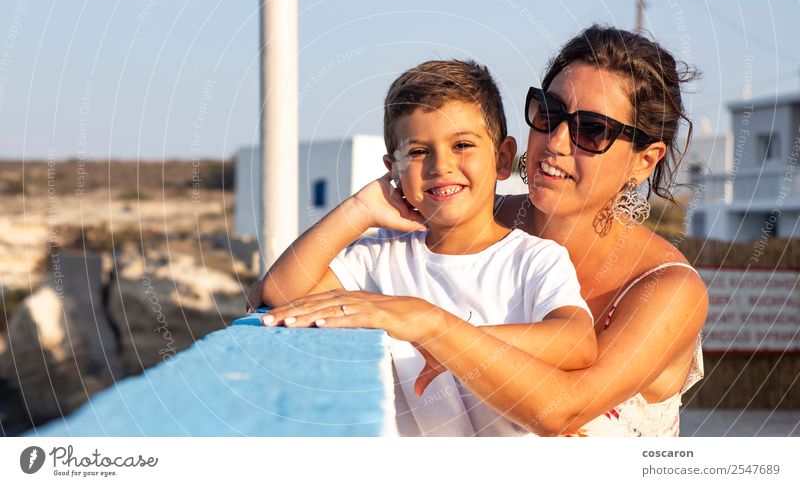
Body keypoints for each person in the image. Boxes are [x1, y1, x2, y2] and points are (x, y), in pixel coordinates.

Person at [254, 25, 709, 437]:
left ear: (643, 161)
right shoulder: (468, 221)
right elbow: (282, 293)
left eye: (593, 130)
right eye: (548, 113)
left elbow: (561, 411)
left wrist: (431, 324)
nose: (556, 142)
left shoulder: (667, 289)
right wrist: (359, 211)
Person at [249, 59, 596, 436]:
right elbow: (279, 292)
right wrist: (359, 209)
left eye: (462, 144)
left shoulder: (533, 259)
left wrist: (440, 332)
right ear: (392, 169)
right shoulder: (378, 255)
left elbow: (576, 342)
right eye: (416, 152)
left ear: (502, 157)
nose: (440, 165)